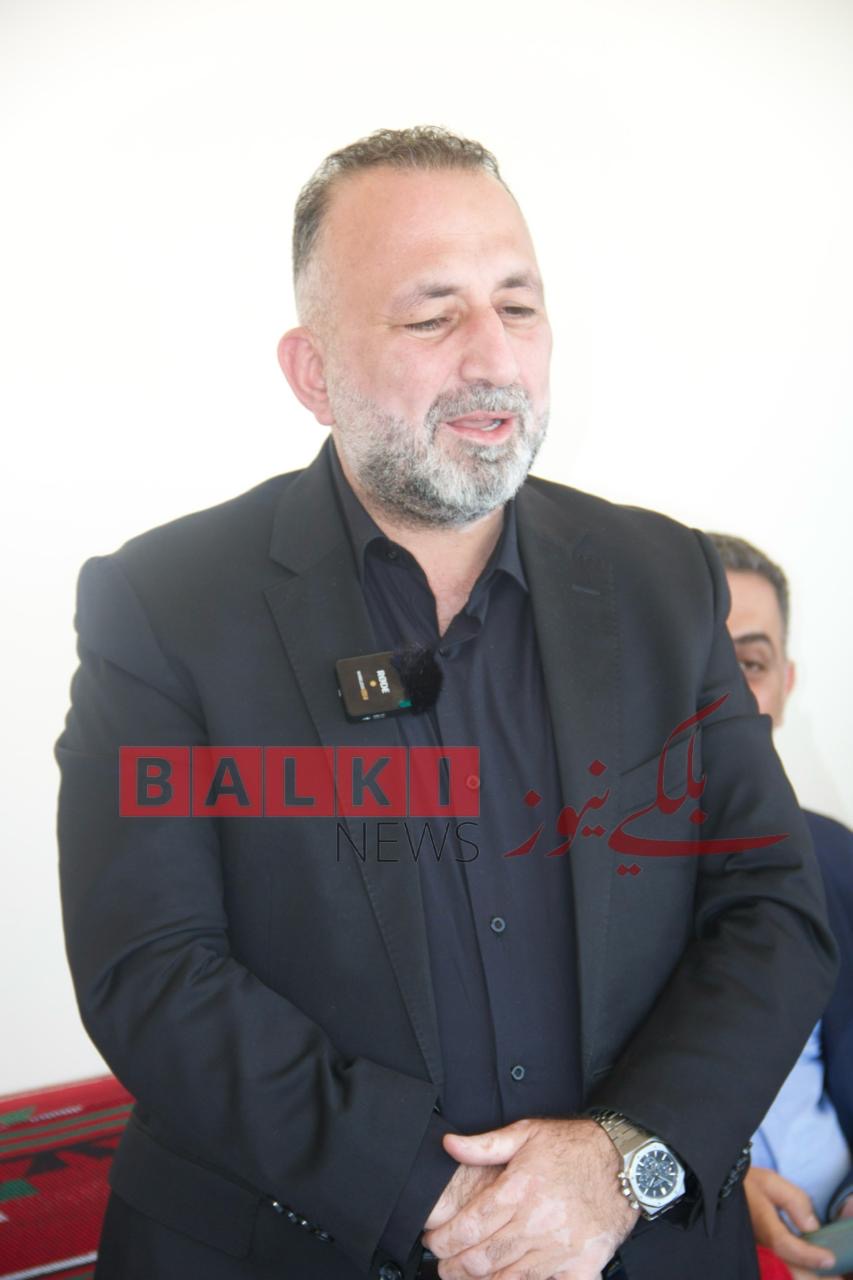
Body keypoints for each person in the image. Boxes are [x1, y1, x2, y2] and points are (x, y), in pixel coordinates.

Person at [56, 126, 837, 1280]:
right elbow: (153, 967)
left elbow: (771, 904)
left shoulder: (659, 579)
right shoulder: (166, 605)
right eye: (432, 317)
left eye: (518, 306)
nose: (493, 356)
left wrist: (621, 1163)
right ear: (312, 371)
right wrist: (446, 1200)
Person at [709, 532, 853, 1279]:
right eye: (705, 661)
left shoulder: (837, 857)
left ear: (785, 685)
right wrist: (713, 1188)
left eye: (751, 664)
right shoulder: (578, 880)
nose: (729, 694)